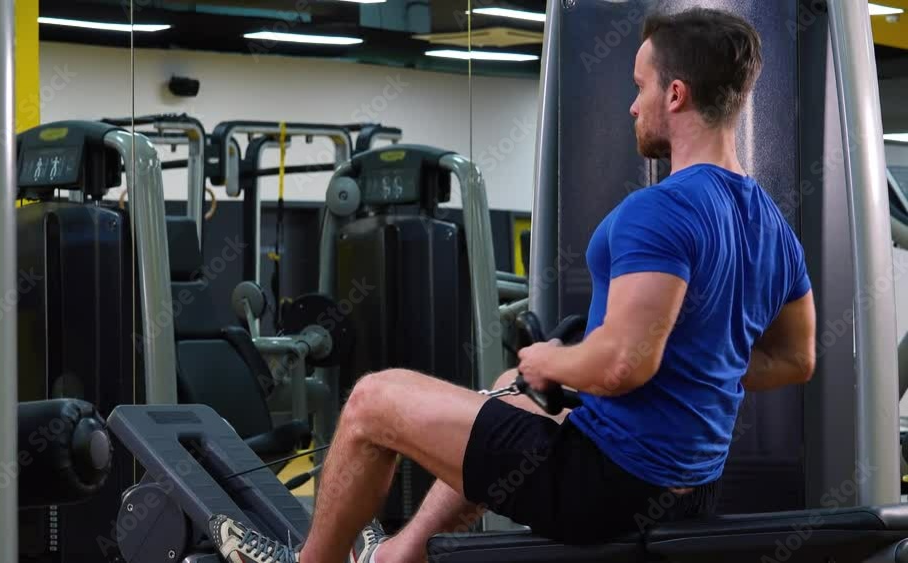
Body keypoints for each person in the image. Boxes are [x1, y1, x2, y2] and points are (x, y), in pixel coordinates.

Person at [208, 7, 817, 563]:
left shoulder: (661, 210)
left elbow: (621, 364)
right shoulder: (773, 227)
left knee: (372, 400)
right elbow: (796, 359)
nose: (634, 107)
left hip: (607, 485)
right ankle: (401, 555)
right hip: (691, 487)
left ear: (676, 94)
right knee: (509, 392)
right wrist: (697, 363)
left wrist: (553, 359)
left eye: (641, 87)